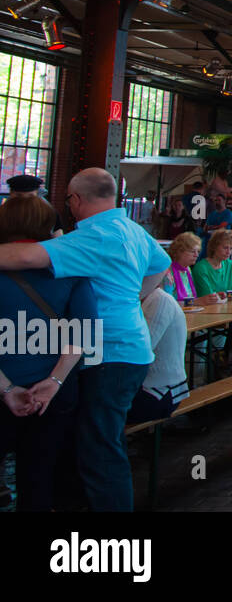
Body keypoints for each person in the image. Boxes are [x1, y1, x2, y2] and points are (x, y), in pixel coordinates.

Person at [0, 168, 171, 511]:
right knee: (95, 444)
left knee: (99, 451)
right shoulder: (132, 230)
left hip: (106, 355)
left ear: (76, 200)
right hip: (130, 349)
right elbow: (162, 263)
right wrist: (131, 299)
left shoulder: (90, 237)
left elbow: (23, 256)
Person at [0, 194, 95, 512]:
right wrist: (54, 382)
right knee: (39, 480)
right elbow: (84, 333)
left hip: (3, 390)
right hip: (54, 396)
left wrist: (8, 389)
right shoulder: (69, 270)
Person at [125, 280, 189, 424]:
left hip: (161, 393)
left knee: (100, 408)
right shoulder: (146, 300)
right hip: (154, 388)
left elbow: (142, 349)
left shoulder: (160, 301)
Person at [164, 233, 202, 303]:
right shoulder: (167, 271)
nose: (196, 255)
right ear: (179, 251)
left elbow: (190, 296)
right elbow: (168, 303)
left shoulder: (187, 269)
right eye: (193, 251)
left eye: (198, 252)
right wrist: (196, 302)